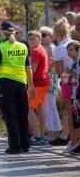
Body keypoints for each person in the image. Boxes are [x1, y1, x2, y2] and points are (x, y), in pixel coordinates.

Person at [0, 20, 35, 154]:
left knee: (10, 115)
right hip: (21, 83)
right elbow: (28, 68)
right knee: (22, 113)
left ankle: (15, 146)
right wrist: (32, 85)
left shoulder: (1, 47)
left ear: (2, 32)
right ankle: (25, 144)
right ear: (13, 32)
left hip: (6, 84)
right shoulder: (23, 47)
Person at [52, 17, 73, 150]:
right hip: (76, 78)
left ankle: (68, 137)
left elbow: (59, 71)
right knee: (74, 110)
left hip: (67, 80)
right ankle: (66, 134)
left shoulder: (60, 48)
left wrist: (53, 66)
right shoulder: (74, 43)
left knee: (69, 110)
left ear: (57, 32)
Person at [27, 31, 50, 145]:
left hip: (37, 83)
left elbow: (33, 70)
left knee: (29, 108)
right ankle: (41, 135)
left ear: (39, 38)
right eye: (30, 38)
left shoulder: (36, 51)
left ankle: (37, 136)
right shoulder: (42, 48)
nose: (31, 40)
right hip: (44, 82)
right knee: (40, 109)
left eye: (34, 38)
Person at [40, 26, 61, 141]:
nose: (41, 37)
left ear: (50, 36)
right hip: (47, 77)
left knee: (50, 105)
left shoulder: (50, 47)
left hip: (50, 78)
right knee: (47, 105)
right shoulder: (46, 47)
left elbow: (52, 62)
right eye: (40, 35)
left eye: (44, 35)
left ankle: (56, 130)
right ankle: (53, 130)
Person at [65, 40, 80, 153]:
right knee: (76, 119)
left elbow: (78, 76)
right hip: (74, 94)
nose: (68, 52)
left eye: (71, 50)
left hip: (77, 94)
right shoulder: (73, 63)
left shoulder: (78, 63)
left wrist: (70, 72)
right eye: (68, 50)